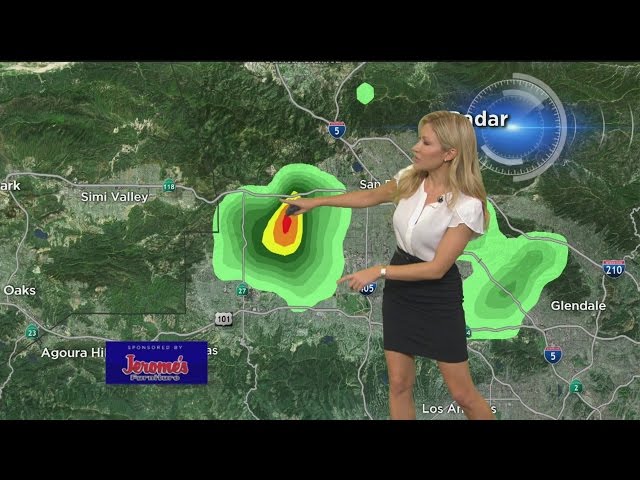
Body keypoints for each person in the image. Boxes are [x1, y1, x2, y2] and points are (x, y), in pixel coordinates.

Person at [280, 111, 495, 420]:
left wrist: (379, 271)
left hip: (436, 296)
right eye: (419, 139)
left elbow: (436, 268)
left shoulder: (466, 205)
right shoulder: (411, 177)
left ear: (450, 153)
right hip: (401, 292)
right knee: (399, 383)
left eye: (425, 142)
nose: (415, 148)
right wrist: (316, 203)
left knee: (462, 394)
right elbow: (371, 196)